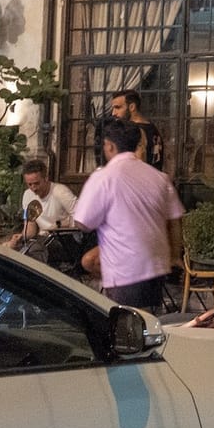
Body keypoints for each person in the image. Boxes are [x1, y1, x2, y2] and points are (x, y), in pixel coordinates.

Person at [71, 118, 183, 310]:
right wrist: (174, 255)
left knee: (126, 329)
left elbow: (83, 222)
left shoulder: (103, 177)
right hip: (155, 268)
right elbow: (175, 221)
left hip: (123, 270)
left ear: (110, 146)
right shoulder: (160, 178)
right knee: (149, 323)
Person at [8, 158, 78, 249]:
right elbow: (30, 227)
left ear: (46, 178)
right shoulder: (28, 195)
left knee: (34, 250)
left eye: (36, 183)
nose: (33, 188)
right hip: (43, 239)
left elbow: (82, 218)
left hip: (64, 239)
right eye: (29, 184)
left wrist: (62, 225)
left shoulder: (60, 192)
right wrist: (21, 237)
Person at [103, 90, 165, 169]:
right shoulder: (152, 128)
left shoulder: (134, 131)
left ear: (132, 107)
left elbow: (137, 162)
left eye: (118, 107)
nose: (113, 113)